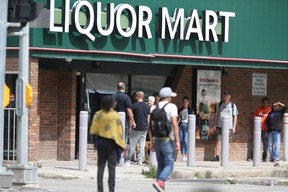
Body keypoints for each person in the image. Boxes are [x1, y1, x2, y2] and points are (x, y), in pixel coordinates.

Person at [89, 96, 125, 192]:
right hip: (112, 143)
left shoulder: (98, 114)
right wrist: (122, 146)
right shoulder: (115, 115)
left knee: (100, 166)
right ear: (112, 104)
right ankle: (111, 189)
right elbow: (119, 131)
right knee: (111, 167)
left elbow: (93, 129)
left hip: (101, 142)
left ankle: (100, 189)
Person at [149, 87, 180, 192]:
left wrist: (152, 142)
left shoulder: (154, 108)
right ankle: (160, 181)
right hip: (167, 139)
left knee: (161, 165)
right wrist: (177, 141)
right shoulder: (172, 107)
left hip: (157, 139)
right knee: (170, 164)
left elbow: (150, 127)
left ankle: (160, 187)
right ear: (168, 97)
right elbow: (175, 125)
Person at [125, 91, 150, 165]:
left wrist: (130, 127)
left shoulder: (134, 106)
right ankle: (140, 160)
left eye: (136, 95)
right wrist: (148, 126)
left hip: (136, 128)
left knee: (132, 145)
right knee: (142, 145)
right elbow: (148, 118)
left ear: (137, 96)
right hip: (144, 128)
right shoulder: (147, 106)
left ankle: (128, 160)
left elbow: (130, 117)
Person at [212, 91, 238, 161]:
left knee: (227, 142)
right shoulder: (219, 104)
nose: (226, 97)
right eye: (225, 95)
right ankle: (217, 156)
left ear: (230, 97)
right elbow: (216, 115)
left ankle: (225, 156)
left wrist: (234, 127)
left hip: (229, 127)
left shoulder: (233, 105)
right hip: (220, 126)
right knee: (218, 141)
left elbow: (235, 116)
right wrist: (214, 125)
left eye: (227, 95)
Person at [112, 82, 135, 146]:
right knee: (123, 138)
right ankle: (122, 153)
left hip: (114, 120)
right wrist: (132, 122)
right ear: (124, 88)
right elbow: (129, 111)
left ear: (117, 88)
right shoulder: (126, 97)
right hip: (123, 121)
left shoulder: (113, 96)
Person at [254, 97, 271, 162]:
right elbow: (255, 118)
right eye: (264, 102)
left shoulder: (270, 110)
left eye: (266, 102)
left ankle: (264, 157)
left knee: (265, 144)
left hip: (265, 130)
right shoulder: (258, 109)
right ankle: (254, 157)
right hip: (258, 130)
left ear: (268, 103)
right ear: (262, 103)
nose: (265, 103)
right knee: (256, 143)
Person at [178, 96, 194, 162]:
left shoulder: (190, 110)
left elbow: (193, 118)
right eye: (183, 102)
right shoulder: (180, 110)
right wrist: (179, 114)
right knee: (181, 140)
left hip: (187, 125)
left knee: (186, 141)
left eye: (186, 102)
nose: (185, 103)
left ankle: (187, 155)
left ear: (188, 103)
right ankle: (183, 155)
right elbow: (177, 119)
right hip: (181, 125)